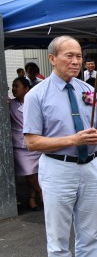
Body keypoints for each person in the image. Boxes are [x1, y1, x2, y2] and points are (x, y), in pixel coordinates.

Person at [22, 36, 97, 257]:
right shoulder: (37, 95)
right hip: (58, 168)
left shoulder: (88, 89)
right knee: (59, 236)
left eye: (78, 56)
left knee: (90, 232)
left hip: (89, 167)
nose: (75, 61)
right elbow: (32, 142)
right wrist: (72, 139)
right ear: (52, 59)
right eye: (69, 56)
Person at [9, 77, 43, 211]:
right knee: (29, 173)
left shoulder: (35, 102)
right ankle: (42, 193)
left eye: (17, 86)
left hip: (36, 142)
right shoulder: (11, 104)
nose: (14, 89)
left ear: (26, 89)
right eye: (13, 86)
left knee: (36, 172)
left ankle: (32, 199)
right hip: (20, 145)